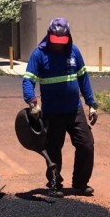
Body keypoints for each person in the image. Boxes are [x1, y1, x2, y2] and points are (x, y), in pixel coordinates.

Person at [22, 17, 98, 198]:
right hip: (52, 112)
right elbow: (28, 80)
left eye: (62, 40)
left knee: (86, 145)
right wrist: (32, 102)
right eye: (55, 39)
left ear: (68, 37)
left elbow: (83, 78)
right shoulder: (39, 54)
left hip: (74, 109)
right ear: (49, 35)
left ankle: (80, 183)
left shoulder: (74, 52)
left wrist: (91, 103)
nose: (58, 44)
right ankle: (55, 184)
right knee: (53, 149)